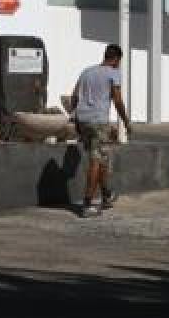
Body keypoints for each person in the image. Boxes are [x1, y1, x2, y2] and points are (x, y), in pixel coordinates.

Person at [68, 44, 132, 217]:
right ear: (116, 59)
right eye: (119, 61)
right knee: (96, 161)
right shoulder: (113, 73)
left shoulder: (86, 72)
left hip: (83, 121)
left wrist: (74, 117)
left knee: (102, 158)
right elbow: (117, 101)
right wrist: (126, 121)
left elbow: (74, 96)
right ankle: (87, 204)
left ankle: (106, 195)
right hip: (98, 123)